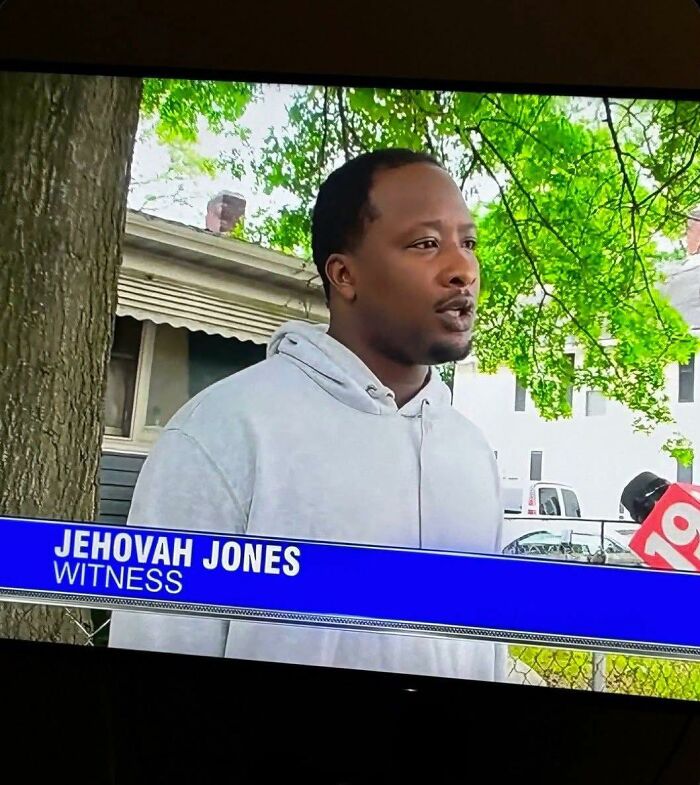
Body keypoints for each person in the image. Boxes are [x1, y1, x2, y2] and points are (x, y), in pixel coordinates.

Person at [109, 148, 505, 682]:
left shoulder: (472, 452)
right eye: (426, 244)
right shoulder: (223, 433)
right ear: (344, 275)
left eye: (469, 243)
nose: (463, 270)